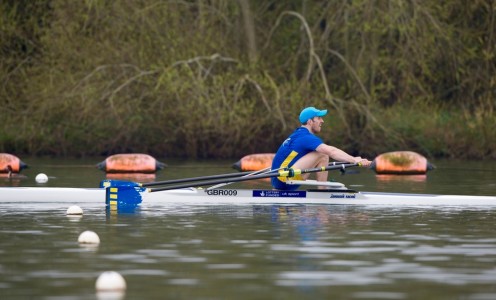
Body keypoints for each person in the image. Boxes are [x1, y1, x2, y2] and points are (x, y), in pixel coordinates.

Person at [271, 106, 372, 190]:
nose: (322, 121)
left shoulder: (297, 134)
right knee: (323, 154)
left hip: (278, 181)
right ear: (310, 121)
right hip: (284, 180)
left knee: (322, 155)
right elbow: (332, 151)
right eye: (319, 118)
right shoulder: (306, 137)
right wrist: (354, 159)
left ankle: (322, 190)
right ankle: (322, 191)